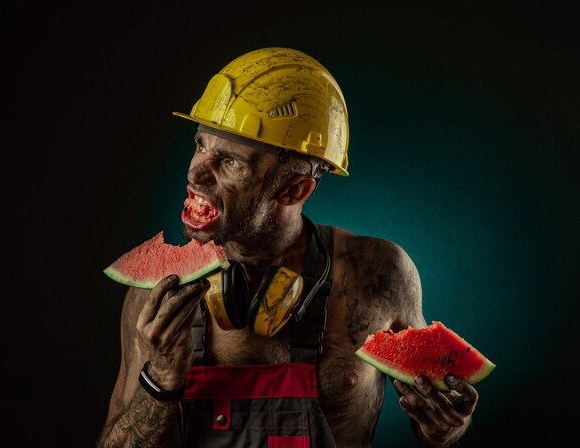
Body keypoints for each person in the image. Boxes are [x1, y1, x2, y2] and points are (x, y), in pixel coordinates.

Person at [96, 47, 479, 448]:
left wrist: (447, 425)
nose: (195, 172)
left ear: (294, 189)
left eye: (230, 163)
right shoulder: (158, 300)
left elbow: (437, 416)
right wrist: (159, 381)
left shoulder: (378, 276)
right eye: (200, 145)